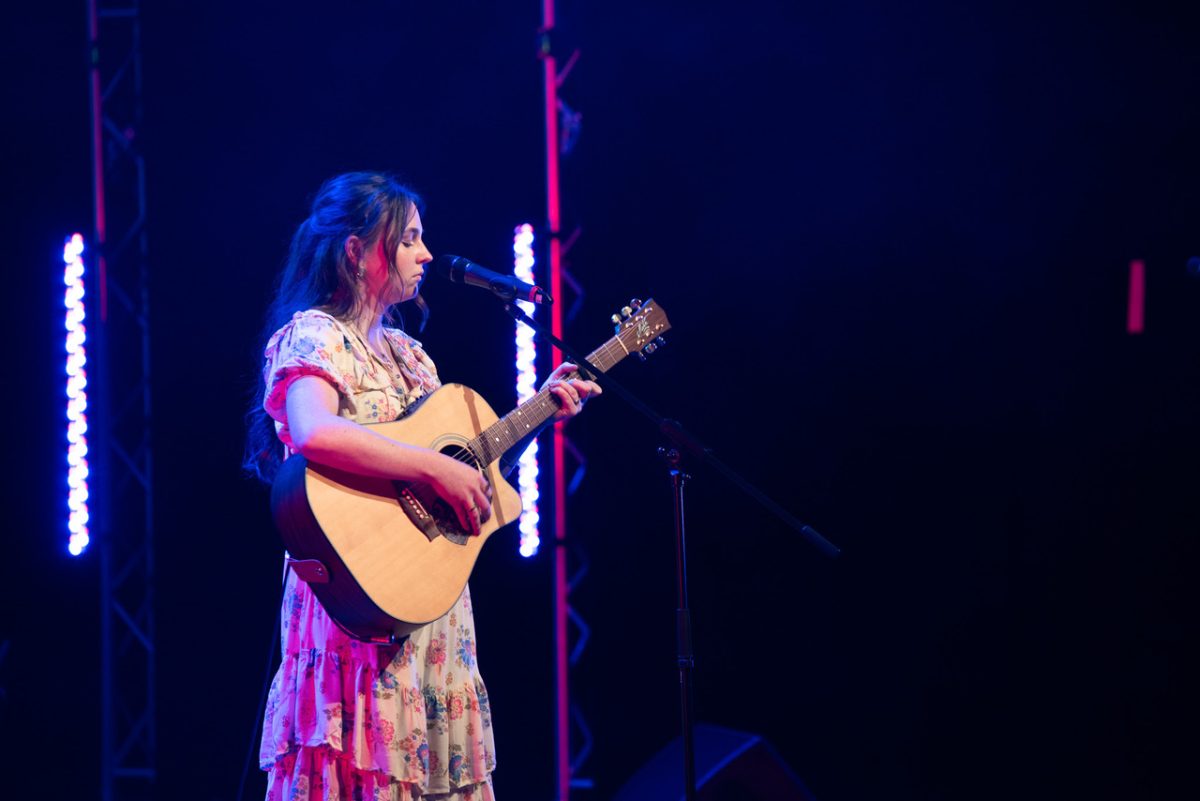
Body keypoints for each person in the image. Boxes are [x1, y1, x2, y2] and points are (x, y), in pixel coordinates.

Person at [244, 171, 600, 800]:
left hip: (429, 617)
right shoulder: (317, 335)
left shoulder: (411, 356)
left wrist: (542, 411)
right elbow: (314, 431)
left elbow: (462, 478)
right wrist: (433, 466)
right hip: (353, 610)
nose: (427, 253)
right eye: (408, 238)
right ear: (356, 251)